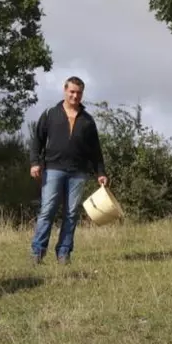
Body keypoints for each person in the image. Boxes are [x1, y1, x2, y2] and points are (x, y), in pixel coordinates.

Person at [28, 76, 108, 265]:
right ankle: (37, 252)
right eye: (72, 91)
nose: (75, 96)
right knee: (47, 211)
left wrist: (101, 172)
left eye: (79, 93)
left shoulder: (88, 121)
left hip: (78, 172)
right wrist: (34, 162)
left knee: (71, 214)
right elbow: (37, 140)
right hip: (53, 169)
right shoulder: (50, 113)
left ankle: (64, 253)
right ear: (65, 90)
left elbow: (95, 150)